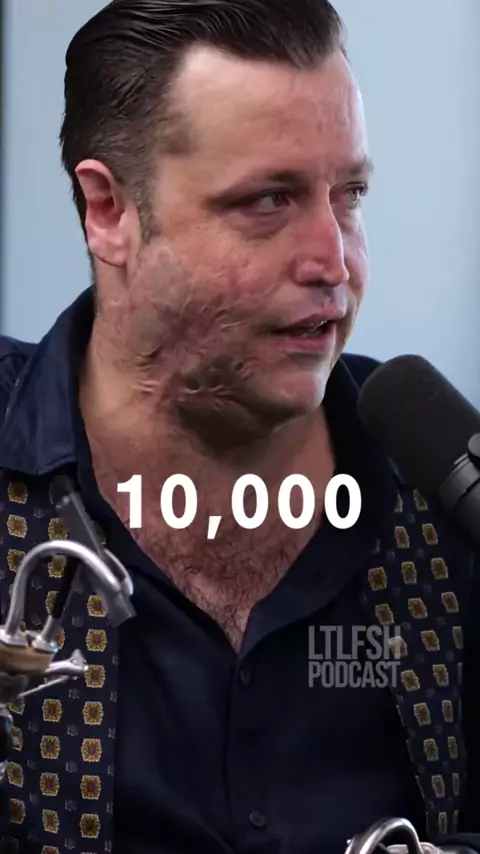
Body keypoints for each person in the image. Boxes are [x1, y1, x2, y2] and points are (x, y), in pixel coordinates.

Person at [0, 1, 478, 852]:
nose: (334, 262)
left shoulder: (446, 497)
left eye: (350, 196)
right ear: (108, 211)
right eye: (268, 200)